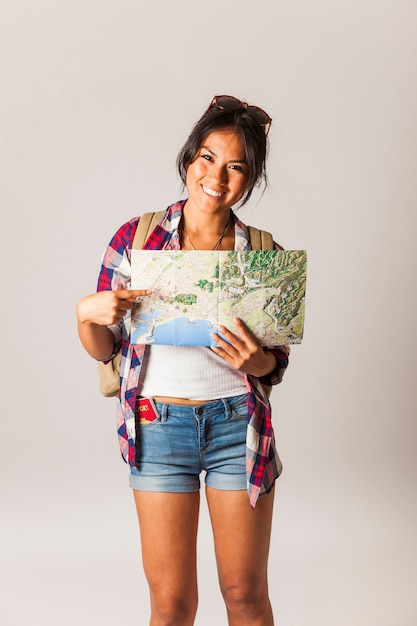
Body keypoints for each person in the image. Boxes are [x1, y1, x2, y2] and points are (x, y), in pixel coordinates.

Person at [76, 95, 290, 626]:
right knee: (171, 605)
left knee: (244, 595)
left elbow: (277, 363)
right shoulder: (138, 237)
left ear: (251, 177)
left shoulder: (263, 253)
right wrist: (87, 316)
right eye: (208, 158)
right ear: (189, 158)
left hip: (234, 428)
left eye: (236, 165)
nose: (218, 176)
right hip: (158, 426)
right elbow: (108, 349)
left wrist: (257, 360)